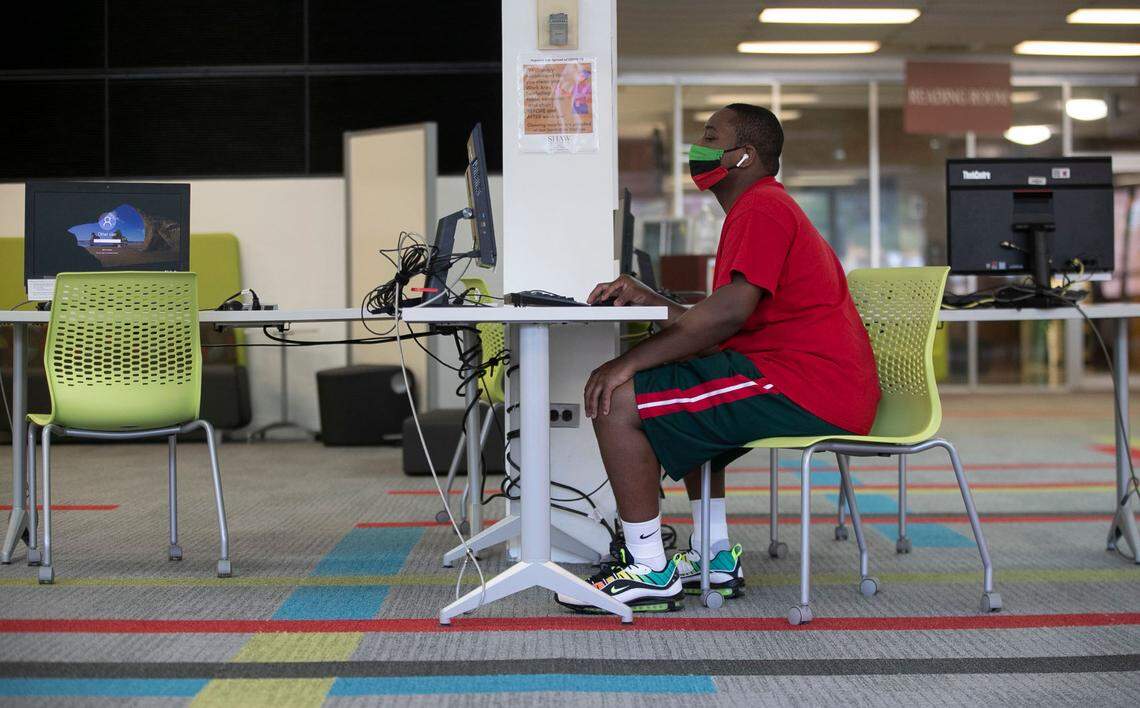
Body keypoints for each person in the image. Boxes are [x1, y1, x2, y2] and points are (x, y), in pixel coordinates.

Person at [555, 104, 881, 613]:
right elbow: (724, 323)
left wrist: (628, 363)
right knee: (683, 388)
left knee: (619, 399)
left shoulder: (761, 208)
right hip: (803, 379)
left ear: (743, 156)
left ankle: (648, 568)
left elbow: (727, 316)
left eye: (710, 136)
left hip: (807, 386)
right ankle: (714, 556)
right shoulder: (760, 207)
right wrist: (651, 300)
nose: (698, 148)